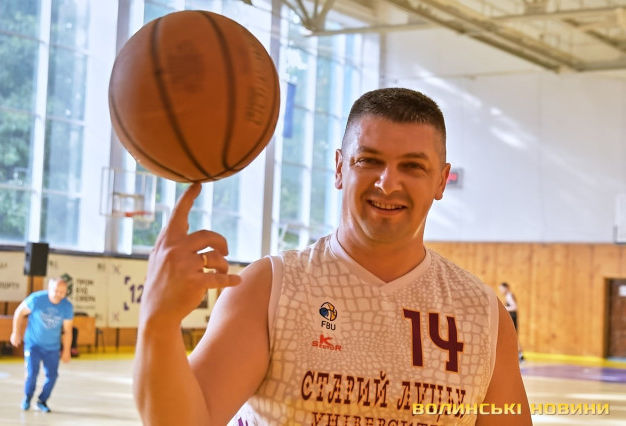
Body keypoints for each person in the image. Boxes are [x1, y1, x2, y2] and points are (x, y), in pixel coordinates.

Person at [134, 88, 531, 425]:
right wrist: (158, 320)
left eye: (412, 166)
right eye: (369, 160)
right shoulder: (270, 289)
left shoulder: (482, 315)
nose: (387, 183)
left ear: (441, 181)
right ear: (340, 168)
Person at [10, 277, 74, 413]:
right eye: (56, 291)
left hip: (52, 347)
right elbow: (19, 312)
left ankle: (42, 400)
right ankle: (28, 397)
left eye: (63, 292)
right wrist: (16, 333)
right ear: (49, 289)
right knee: (32, 374)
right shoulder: (37, 299)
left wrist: (67, 350)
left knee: (52, 376)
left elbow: (68, 331)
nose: (59, 294)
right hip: (33, 345)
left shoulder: (67, 306)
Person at [499, 282, 524, 361]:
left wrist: (504, 308)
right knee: (513, 337)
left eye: (502, 289)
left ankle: (520, 355)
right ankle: (519, 355)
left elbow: (514, 307)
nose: (501, 291)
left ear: (506, 288)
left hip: (513, 318)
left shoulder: (509, 296)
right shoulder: (508, 296)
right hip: (512, 317)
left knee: (513, 337)